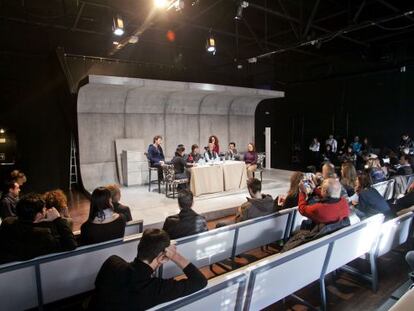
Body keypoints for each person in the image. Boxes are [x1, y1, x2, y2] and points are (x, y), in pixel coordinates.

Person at [89, 228, 208, 311]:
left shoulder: (112, 262)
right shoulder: (157, 290)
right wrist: (175, 256)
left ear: (139, 247)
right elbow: (200, 281)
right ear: (162, 257)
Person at [0, 193, 76, 264]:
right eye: (44, 208)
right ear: (39, 215)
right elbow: (71, 244)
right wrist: (58, 219)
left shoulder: (7, 222)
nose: (46, 210)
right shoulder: (43, 234)